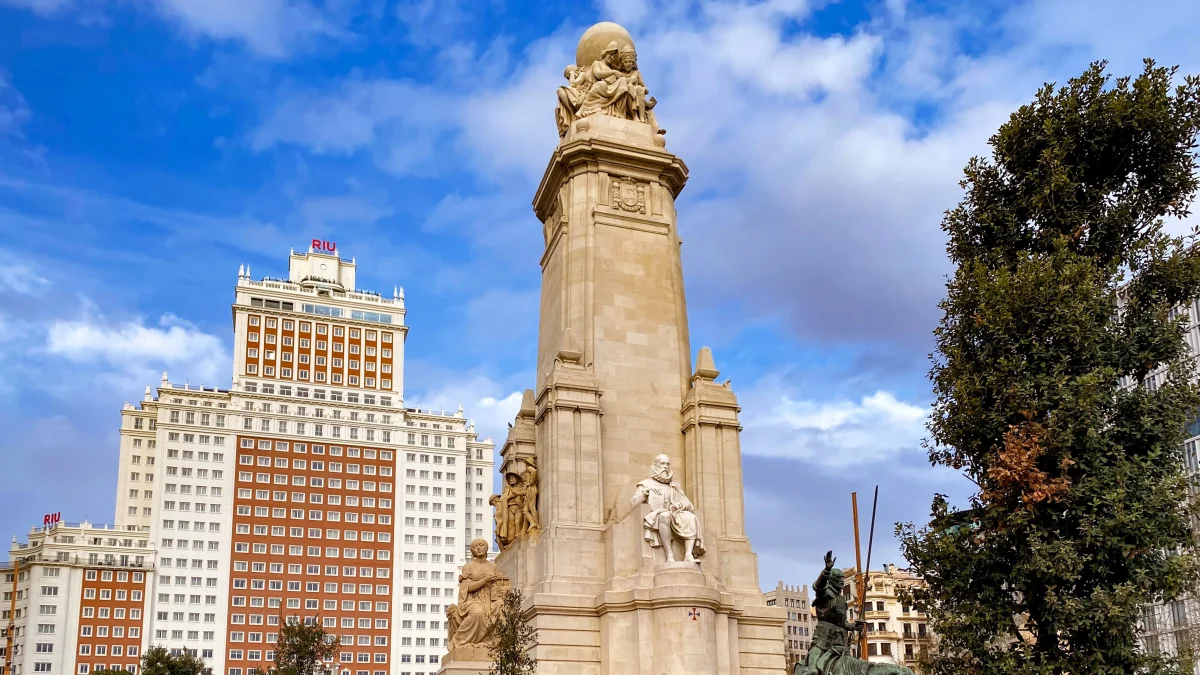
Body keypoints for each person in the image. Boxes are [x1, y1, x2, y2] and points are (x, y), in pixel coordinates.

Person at [630, 454, 704, 562]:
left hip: (675, 514)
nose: (665, 466)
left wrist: (677, 505)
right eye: (662, 463)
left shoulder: (674, 485)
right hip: (656, 514)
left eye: (667, 464)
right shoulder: (646, 484)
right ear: (655, 466)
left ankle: (688, 555)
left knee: (691, 517)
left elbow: (689, 505)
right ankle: (669, 555)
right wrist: (644, 494)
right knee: (665, 516)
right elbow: (633, 504)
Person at [446, 539, 505, 651]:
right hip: (472, 600)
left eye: (481, 545)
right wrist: (485, 580)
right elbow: (467, 588)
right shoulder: (468, 567)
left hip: (489, 599)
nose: (478, 548)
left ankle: (494, 643)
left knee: (502, 605)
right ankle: (457, 640)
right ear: (472, 551)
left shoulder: (493, 567)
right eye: (474, 546)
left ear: (486, 548)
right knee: (478, 612)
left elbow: (498, 585)